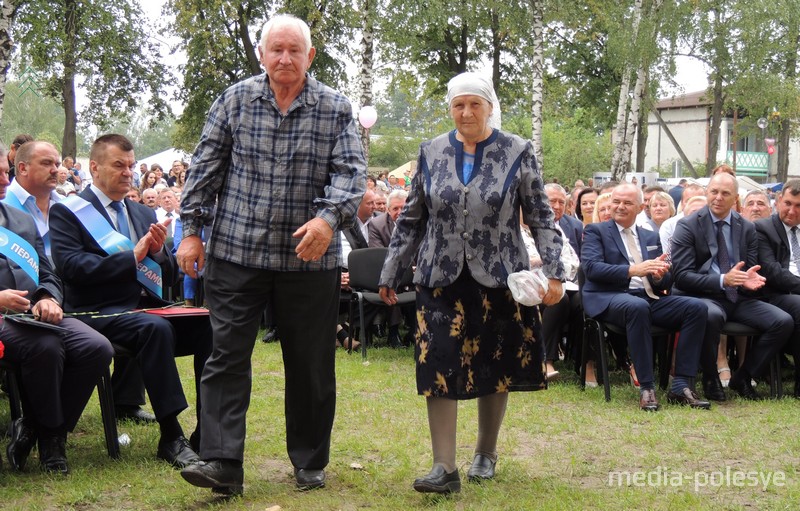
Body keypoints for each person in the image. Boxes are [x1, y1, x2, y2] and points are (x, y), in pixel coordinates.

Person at [177, 14, 366, 496]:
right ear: (262, 54)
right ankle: (221, 462)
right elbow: (205, 168)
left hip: (310, 258)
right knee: (224, 357)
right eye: (275, 49)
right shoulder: (234, 100)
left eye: (294, 50)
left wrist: (328, 219)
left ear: (310, 56)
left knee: (310, 363)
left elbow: (350, 175)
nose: (284, 58)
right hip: (237, 252)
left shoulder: (336, 108)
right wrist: (192, 231)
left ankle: (309, 461)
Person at [378, 72, 564, 494]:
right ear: (450, 108)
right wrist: (390, 271)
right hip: (438, 276)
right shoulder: (430, 151)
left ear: (489, 107)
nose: (466, 112)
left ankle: (486, 451)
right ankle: (443, 466)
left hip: (498, 277)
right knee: (436, 360)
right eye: (458, 105)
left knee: (493, 364)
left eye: (474, 104)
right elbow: (411, 219)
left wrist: (554, 272)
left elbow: (540, 215)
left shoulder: (517, 150)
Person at [49, 134, 212, 469]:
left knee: (208, 324)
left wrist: (156, 253)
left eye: (130, 166)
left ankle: (208, 431)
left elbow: (164, 272)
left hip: (142, 308)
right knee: (154, 328)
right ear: (94, 167)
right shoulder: (69, 212)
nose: (127, 172)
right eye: (118, 165)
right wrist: (132, 257)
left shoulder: (141, 212)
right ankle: (171, 435)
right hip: (94, 312)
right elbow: (71, 268)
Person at [0, 142, 113, 474]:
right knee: (44, 346)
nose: (5, 182)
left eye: (4, 173)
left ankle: (35, 426)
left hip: (35, 313)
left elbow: (47, 271)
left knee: (96, 347)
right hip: (6, 318)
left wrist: (49, 296)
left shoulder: (19, 219)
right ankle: (52, 441)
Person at [582, 183, 710, 411]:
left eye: (627, 202)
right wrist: (632, 270)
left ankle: (681, 385)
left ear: (641, 207)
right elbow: (591, 269)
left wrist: (660, 275)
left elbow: (664, 281)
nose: (619, 206)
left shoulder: (650, 235)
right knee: (637, 307)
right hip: (610, 296)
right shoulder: (596, 231)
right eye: (616, 201)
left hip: (648, 296)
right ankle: (647, 388)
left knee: (696, 308)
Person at [671, 172, 793, 401]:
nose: (718, 197)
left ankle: (744, 376)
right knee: (711, 315)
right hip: (700, 296)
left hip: (737, 297)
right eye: (714, 191)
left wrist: (747, 280)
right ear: (707, 193)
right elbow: (681, 276)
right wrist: (722, 279)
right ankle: (710, 376)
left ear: (735, 198)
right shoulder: (687, 226)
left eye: (725, 193)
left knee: (782, 321)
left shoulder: (746, 228)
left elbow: (751, 267)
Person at [754, 179, 800, 397]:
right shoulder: (763, 228)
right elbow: (771, 271)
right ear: (779, 200)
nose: (792, 211)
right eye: (788, 203)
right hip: (773, 294)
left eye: (799, 206)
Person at [4, 141, 63, 259]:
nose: (55, 170)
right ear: (23, 168)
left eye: (57, 164)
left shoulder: (68, 205)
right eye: (46, 163)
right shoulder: (3, 204)